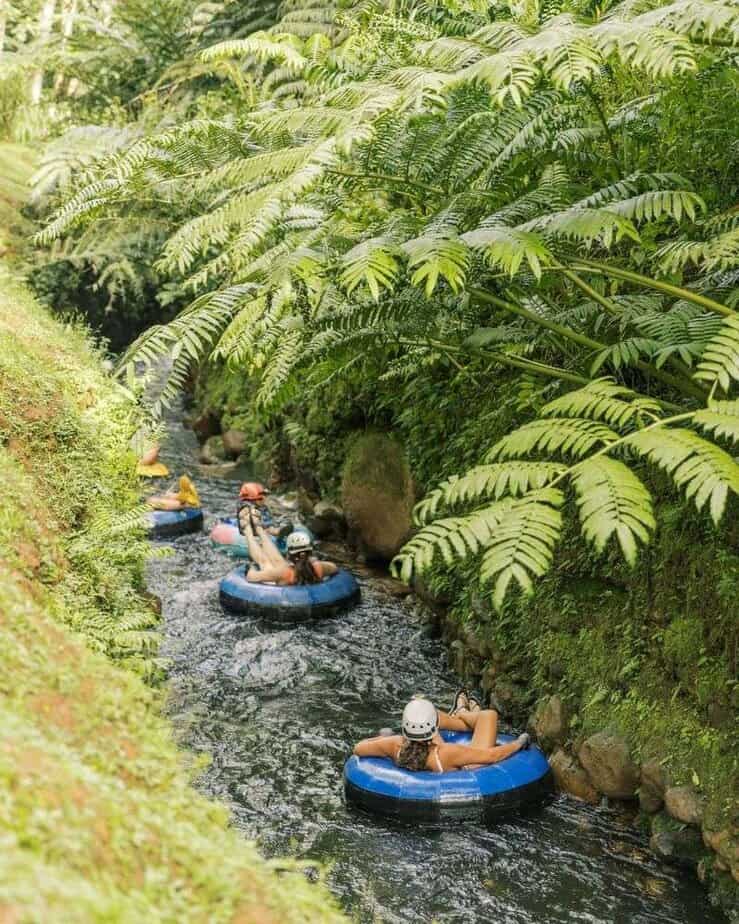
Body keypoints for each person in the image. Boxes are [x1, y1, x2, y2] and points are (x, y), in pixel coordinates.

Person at [353, 692, 530, 773]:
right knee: (489, 715)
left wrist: (383, 738)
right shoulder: (448, 752)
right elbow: (492, 756)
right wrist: (518, 744)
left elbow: (359, 748)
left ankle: (461, 712)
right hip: (467, 766)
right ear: (431, 730)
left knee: (429, 710)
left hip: (433, 755)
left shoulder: (394, 744)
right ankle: (462, 712)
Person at [243, 514, 337, 585]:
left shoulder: (283, 572)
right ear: (310, 552)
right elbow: (334, 567)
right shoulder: (319, 567)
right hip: (292, 574)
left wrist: (251, 568)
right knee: (278, 561)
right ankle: (259, 529)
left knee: (264, 562)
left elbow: (250, 577)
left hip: (282, 590)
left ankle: (248, 530)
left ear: (289, 554)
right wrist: (315, 562)